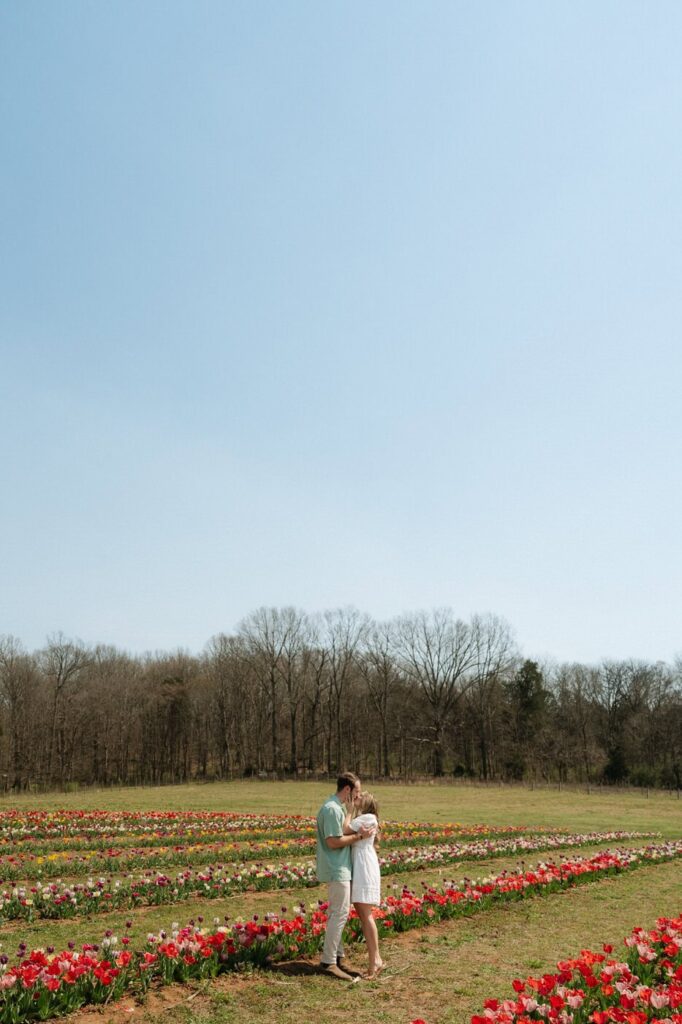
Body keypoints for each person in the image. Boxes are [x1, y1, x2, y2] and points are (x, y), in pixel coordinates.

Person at [316, 771, 375, 981]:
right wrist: (359, 836)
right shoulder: (332, 809)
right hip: (337, 868)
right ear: (348, 789)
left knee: (338, 913)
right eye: (357, 791)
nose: (358, 797)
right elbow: (333, 841)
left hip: (341, 867)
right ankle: (328, 962)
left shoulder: (338, 808)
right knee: (338, 914)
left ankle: (338, 957)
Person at [346, 790, 384, 979]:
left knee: (365, 913)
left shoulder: (367, 818)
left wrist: (348, 810)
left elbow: (343, 831)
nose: (356, 797)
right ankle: (375, 959)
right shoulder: (366, 818)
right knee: (362, 912)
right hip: (362, 864)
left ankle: (375, 959)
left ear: (365, 802)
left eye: (359, 796)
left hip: (363, 866)